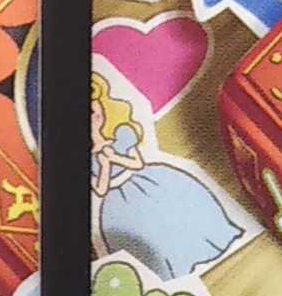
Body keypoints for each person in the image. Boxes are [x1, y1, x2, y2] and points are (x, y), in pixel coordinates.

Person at [91, 72, 245, 282]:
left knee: (178, 212)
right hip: (119, 203)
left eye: (95, 108)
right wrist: (105, 164)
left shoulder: (122, 135)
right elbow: (100, 188)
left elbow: (136, 163)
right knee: (151, 233)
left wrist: (114, 157)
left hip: (148, 180)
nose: (94, 116)